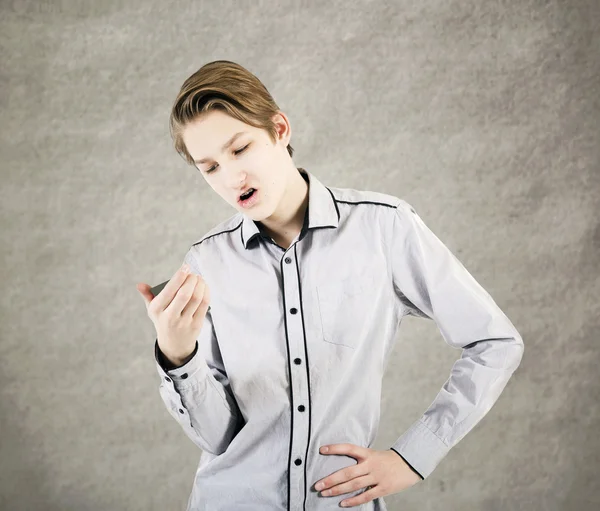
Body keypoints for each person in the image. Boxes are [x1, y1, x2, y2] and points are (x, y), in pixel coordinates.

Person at [136, 60, 524, 511]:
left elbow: (495, 341)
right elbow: (218, 436)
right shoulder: (206, 262)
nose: (231, 177)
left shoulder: (384, 228)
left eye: (240, 149)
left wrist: (414, 456)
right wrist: (178, 356)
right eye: (210, 167)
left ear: (279, 129)